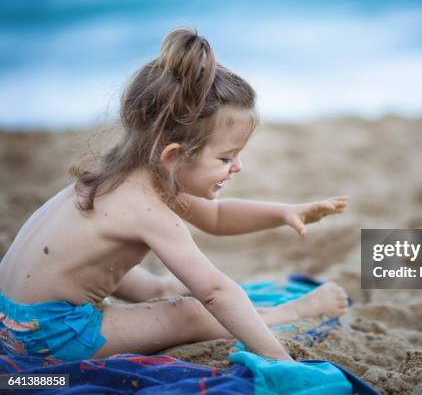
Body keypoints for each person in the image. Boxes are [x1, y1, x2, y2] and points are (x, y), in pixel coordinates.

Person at [0, 27, 349, 362]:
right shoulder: (147, 209)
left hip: (8, 313)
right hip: (43, 334)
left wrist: (283, 212)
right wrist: (280, 357)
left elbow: (217, 217)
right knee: (187, 311)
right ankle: (288, 311)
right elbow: (214, 292)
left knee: (158, 286)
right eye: (226, 158)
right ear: (174, 155)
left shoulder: (124, 177)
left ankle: (157, 291)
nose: (237, 166)